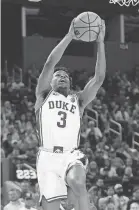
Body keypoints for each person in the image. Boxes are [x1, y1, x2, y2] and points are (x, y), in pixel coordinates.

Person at [35, 17, 106, 210]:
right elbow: (50, 63)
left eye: (65, 76)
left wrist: (100, 42)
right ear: (51, 82)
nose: (62, 78)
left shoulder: (78, 100)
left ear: (70, 82)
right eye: (58, 76)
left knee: (78, 183)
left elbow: (99, 79)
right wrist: (69, 36)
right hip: (47, 157)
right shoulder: (43, 96)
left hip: (71, 154)